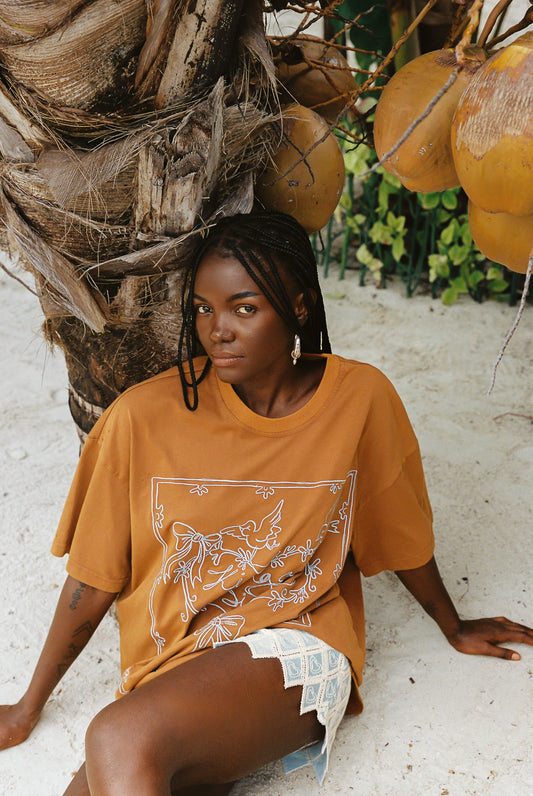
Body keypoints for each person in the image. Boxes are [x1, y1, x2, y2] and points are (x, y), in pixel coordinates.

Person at [0, 210, 531, 796]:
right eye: (203, 308)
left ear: (298, 308)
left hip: (296, 639)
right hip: (173, 664)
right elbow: (92, 578)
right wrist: (27, 706)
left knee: (114, 740)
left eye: (244, 309)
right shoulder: (142, 418)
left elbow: (397, 529)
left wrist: (451, 624)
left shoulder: (359, 400)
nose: (217, 329)